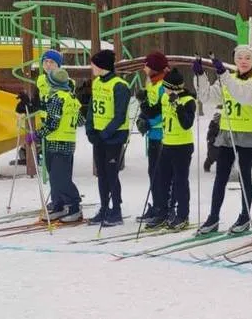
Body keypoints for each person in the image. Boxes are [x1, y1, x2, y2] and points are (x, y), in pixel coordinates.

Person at [193, 45, 252, 235]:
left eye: (247, 58)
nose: (243, 61)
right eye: (239, 57)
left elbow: (242, 95)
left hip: (247, 134)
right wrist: (200, 77)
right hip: (227, 133)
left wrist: (223, 75)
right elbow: (206, 97)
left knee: (244, 176)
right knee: (221, 176)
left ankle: (245, 216)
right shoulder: (227, 78)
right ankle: (213, 217)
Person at [140, 67, 196, 230]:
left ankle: (182, 215)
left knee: (180, 182)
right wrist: (143, 101)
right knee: (161, 181)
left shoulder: (187, 101)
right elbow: (152, 112)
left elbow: (187, 124)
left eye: (166, 87)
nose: (164, 90)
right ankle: (162, 213)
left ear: (174, 88)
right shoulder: (164, 97)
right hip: (167, 144)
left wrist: (177, 104)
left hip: (182, 146)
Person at [84, 49, 130, 227]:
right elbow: (91, 109)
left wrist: (105, 133)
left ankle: (116, 209)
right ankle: (104, 207)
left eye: (94, 64)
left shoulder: (119, 85)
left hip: (114, 136)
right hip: (99, 136)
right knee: (101, 174)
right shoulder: (96, 83)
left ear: (102, 66)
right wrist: (90, 130)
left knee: (111, 173)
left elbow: (120, 115)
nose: (91, 67)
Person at [32, 67, 82, 223]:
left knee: (59, 178)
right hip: (67, 142)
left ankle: (74, 205)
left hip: (57, 142)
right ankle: (59, 205)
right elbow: (80, 120)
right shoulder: (71, 98)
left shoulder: (57, 98)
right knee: (57, 177)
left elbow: (52, 123)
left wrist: (36, 135)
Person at [136, 50, 169, 219]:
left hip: (162, 135)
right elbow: (150, 107)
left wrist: (149, 122)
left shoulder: (164, 85)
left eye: (147, 65)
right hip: (153, 137)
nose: (144, 68)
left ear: (154, 68)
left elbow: (164, 112)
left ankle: (164, 207)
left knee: (160, 174)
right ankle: (157, 205)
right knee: (153, 173)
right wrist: (143, 115)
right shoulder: (152, 83)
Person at [15, 49, 63, 166]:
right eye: (45, 62)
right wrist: (26, 104)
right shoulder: (41, 80)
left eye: (52, 62)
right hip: (47, 127)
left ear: (58, 65)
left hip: (60, 128)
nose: (48, 65)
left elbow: (57, 105)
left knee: (59, 172)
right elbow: (38, 104)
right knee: (52, 170)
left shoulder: (63, 81)